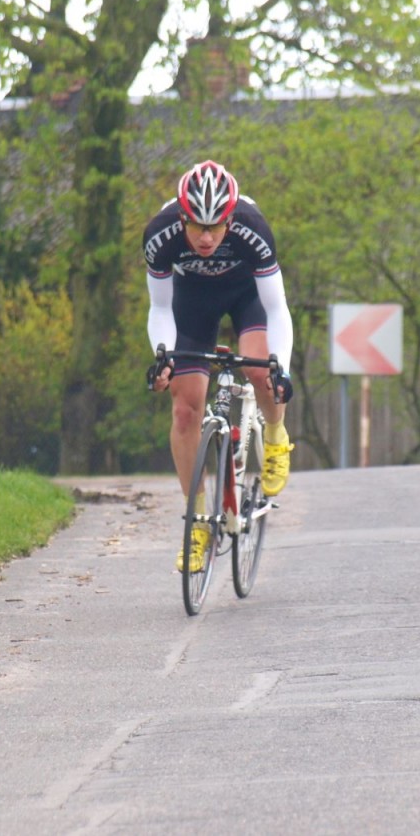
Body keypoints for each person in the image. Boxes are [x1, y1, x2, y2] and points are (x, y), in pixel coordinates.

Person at [145, 160, 295, 572]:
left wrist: (282, 368)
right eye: (198, 227)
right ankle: (197, 524)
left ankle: (276, 435)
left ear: (230, 218)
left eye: (216, 226)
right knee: (184, 409)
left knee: (261, 372)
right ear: (182, 218)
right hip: (191, 299)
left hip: (247, 295)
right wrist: (162, 355)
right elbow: (160, 308)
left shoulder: (253, 226)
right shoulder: (160, 234)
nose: (207, 237)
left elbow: (276, 308)